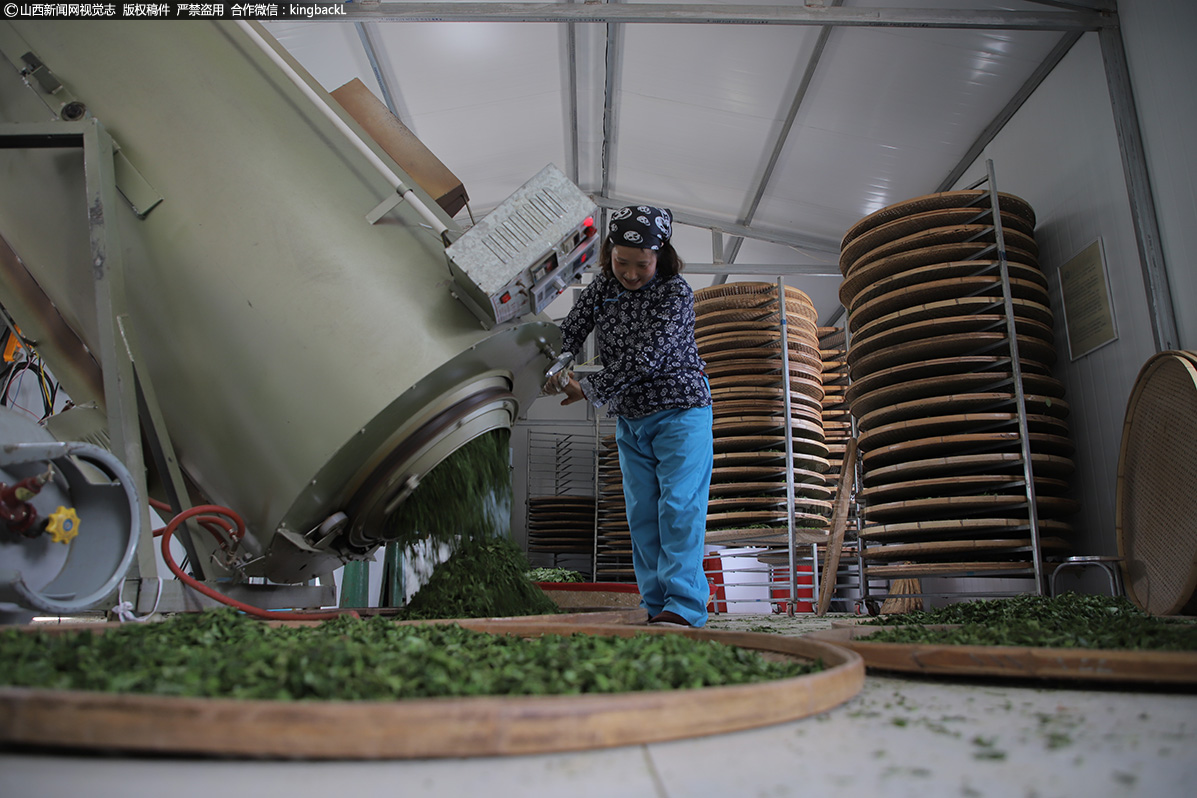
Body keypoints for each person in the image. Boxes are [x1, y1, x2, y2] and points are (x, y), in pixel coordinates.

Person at [552, 205, 713, 628]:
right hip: (632, 418)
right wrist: (552, 363)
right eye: (621, 261)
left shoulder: (674, 293)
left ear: (660, 256)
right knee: (642, 514)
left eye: (640, 265)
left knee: (678, 507)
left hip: (680, 411)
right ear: (609, 254)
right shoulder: (603, 286)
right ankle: (657, 605)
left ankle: (685, 606)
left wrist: (588, 388)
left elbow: (649, 357)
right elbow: (572, 328)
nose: (629, 273)